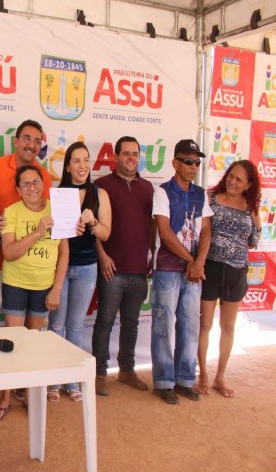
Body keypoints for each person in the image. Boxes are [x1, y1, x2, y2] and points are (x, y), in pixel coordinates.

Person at [0, 119, 52, 404]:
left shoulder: (44, 175)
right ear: (16, 141)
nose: (32, 145)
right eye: (27, 139)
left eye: (37, 141)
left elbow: (44, 218)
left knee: (26, 333)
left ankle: (21, 381)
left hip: (25, 266)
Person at [0, 165, 69, 420]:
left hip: (43, 286)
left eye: (36, 182)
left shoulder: (57, 209)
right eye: (26, 184)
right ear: (18, 189)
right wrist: (37, 232)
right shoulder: (11, 212)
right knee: (13, 343)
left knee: (32, 345)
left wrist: (57, 288)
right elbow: (10, 252)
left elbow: (65, 252)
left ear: (43, 183)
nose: (32, 187)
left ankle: (30, 395)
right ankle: (5, 396)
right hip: (15, 283)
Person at [47, 141, 111, 402]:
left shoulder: (100, 194)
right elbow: (49, 232)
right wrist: (65, 229)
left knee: (74, 326)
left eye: (86, 160)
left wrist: (93, 223)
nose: (82, 165)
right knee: (56, 325)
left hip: (86, 267)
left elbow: (106, 233)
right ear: (68, 165)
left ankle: (72, 381)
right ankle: (52, 380)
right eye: (76, 160)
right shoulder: (57, 193)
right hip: (58, 267)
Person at [151, 139, 212, 405]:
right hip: (167, 268)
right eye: (188, 161)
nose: (193, 166)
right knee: (163, 325)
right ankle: (164, 382)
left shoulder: (201, 193)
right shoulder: (162, 192)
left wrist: (198, 263)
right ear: (175, 162)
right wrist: (193, 261)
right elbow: (164, 233)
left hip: (192, 271)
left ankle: (185, 379)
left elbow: (207, 230)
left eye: (197, 162)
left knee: (190, 325)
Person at [92, 136, 154, 396]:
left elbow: (153, 226)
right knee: (104, 321)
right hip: (111, 268)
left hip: (140, 270)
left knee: (131, 323)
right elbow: (91, 228)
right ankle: (99, 373)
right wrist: (102, 256)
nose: (131, 158)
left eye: (135, 154)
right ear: (115, 157)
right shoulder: (101, 185)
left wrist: (153, 256)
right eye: (126, 153)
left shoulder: (149, 188)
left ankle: (127, 370)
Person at [196, 160, 261, 398]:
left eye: (239, 179)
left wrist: (255, 216)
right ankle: (202, 373)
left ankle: (219, 377)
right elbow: (201, 231)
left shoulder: (250, 207)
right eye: (231, 176)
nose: (233, 182)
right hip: (210, 268)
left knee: (228, 327)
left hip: (236, 272)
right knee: (205, 325)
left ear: (248, 185)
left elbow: (254, 240)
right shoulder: (211, 197)